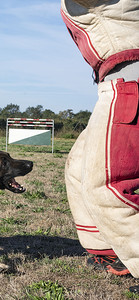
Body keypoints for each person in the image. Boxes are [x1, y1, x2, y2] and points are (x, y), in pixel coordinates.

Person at [61, 0, 139, 279]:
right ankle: (109, 250)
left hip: (129, 81)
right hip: (117, 81)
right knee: (78, 168)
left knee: (105, 185)